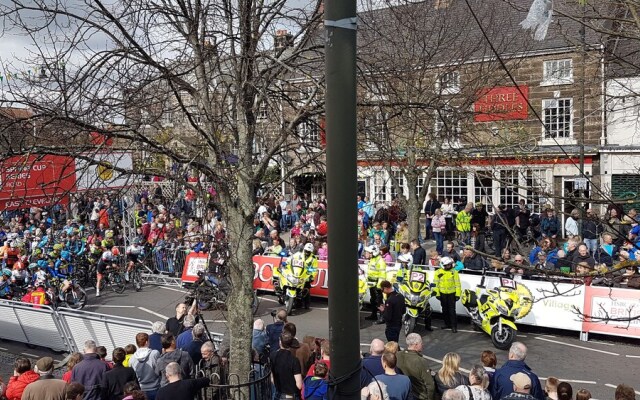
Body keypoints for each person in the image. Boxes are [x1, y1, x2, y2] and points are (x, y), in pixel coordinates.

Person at [396, 333, 436, 400]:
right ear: (416, 345)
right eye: (421, 343)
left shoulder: (398, 355)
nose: (422, 345)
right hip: (419, 395)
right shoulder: (421, 361)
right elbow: (429, 385)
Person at [271, 332, 303, 400]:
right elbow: (299, 385)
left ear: (280, 342)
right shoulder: (294, 360)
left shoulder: (273, 356)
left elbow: (272, 378)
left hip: (278, 393)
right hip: (291, 395)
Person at [129, 332, 161, 400]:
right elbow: (159, 369)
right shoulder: (154, 353)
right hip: (155, 387)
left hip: (141, 389)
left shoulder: (132, 358)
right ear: (146, 342)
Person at [433, 257, 461, 332]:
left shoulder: (454, 272)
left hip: (452, 294)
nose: (449, 266)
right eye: (447, 265)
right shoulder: (438, 272)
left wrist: (458, 294)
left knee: (452, 311)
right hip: (442, 294)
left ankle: (454, 326)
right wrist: (437, 294)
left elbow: (457, 284)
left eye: (449, 264)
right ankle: (447, 324)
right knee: (444, 310)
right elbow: (436, 284)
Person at [364, 245, 388, 322]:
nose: (366, 254)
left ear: (373, 253)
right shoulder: (373, 259)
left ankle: (382, 317)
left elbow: (382, 274)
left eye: (368, 252)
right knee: (373, 300)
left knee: (379, 302)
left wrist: (379, 286)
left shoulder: (380, 261)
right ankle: (374, 315)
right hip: (372, 285)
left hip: (377, 285)